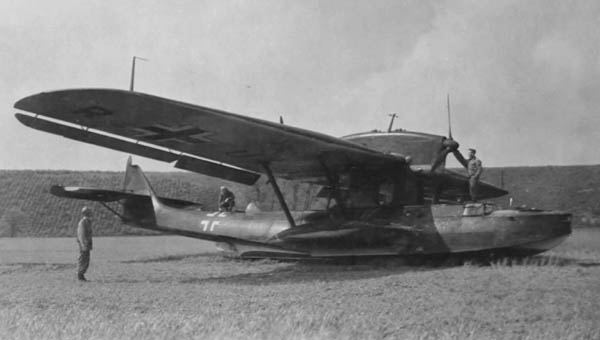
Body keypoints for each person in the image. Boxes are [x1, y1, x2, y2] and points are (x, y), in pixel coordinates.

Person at [76, 206, 93, 281]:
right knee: (83, 258)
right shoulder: (82, 222)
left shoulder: (88, 222)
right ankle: (80, 274)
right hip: (84, 244)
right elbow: (81, 234)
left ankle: (82, 273)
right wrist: (84, 245)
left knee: (86, 258)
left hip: (87, 244)